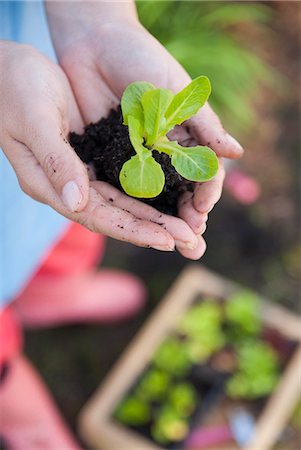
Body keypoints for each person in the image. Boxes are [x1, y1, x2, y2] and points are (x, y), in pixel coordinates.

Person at [0, 1, 243, 448]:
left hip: (44, 74)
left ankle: (49, 291)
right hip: (11, 84)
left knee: (64, 216)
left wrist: (100, 21)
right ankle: (12, 399)